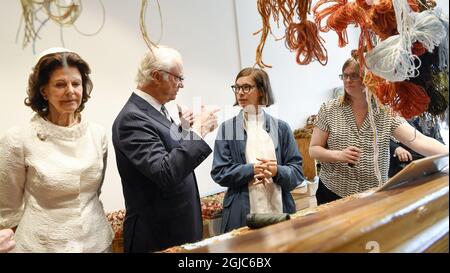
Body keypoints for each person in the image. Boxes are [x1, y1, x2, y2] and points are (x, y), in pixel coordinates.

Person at [0, 48, 113, 252]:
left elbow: (94, 192)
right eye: (60, 84)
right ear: (44, 90)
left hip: (96, 243)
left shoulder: (98, 135)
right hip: (39, 246)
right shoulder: (19, 139)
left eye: (76, 84)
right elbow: (7, 209)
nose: (70, 91)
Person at [112, 45, 218, 253]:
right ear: (156, 76)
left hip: (177, 229)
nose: (181, 85)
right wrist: (199, 131)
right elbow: (165, 172)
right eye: (178, 78)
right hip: (158, 236)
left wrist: (184, 131)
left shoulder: (154, 110)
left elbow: (168, 153)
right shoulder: (132, 118)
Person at [309, 55, 448, 205]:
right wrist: (339, 155)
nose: (348, 80)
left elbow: (419, 140)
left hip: (372, 194)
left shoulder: (384, 111)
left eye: (355, 76)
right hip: (333, 192)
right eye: (345, 75)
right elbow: (314, 149)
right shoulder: (329, 109)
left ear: (370, 79)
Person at [210, 67, 304, 233]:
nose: (240, 93)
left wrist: (277, 171)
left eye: (246, 87)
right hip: (242, 213)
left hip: (280, 211)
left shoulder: (281, 128)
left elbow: (297, 172)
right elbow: (219, 172)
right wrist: (251, 169)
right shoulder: (228, 128)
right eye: (237, 88)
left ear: (262, 90)